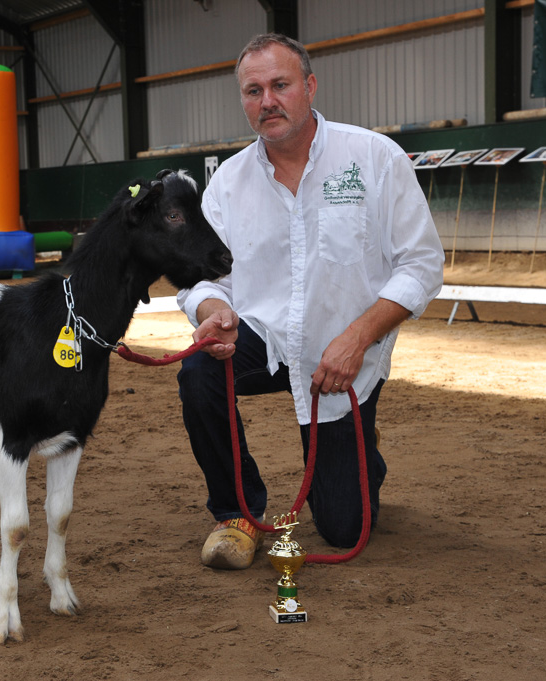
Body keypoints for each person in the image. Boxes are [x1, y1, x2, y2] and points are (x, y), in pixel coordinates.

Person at [177, 34, 444, 569]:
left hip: (345, 355)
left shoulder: (374, 158)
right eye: (253, 91)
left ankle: (362, 463)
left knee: (342, 525)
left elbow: (421, 264)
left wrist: (358, 338)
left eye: (280, 85)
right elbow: (200, 278)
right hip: (267, 338)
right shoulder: (226, 183)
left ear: (309, 86)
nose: (267, 101)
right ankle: (235, 514)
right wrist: (213, 312)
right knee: (200, 371)